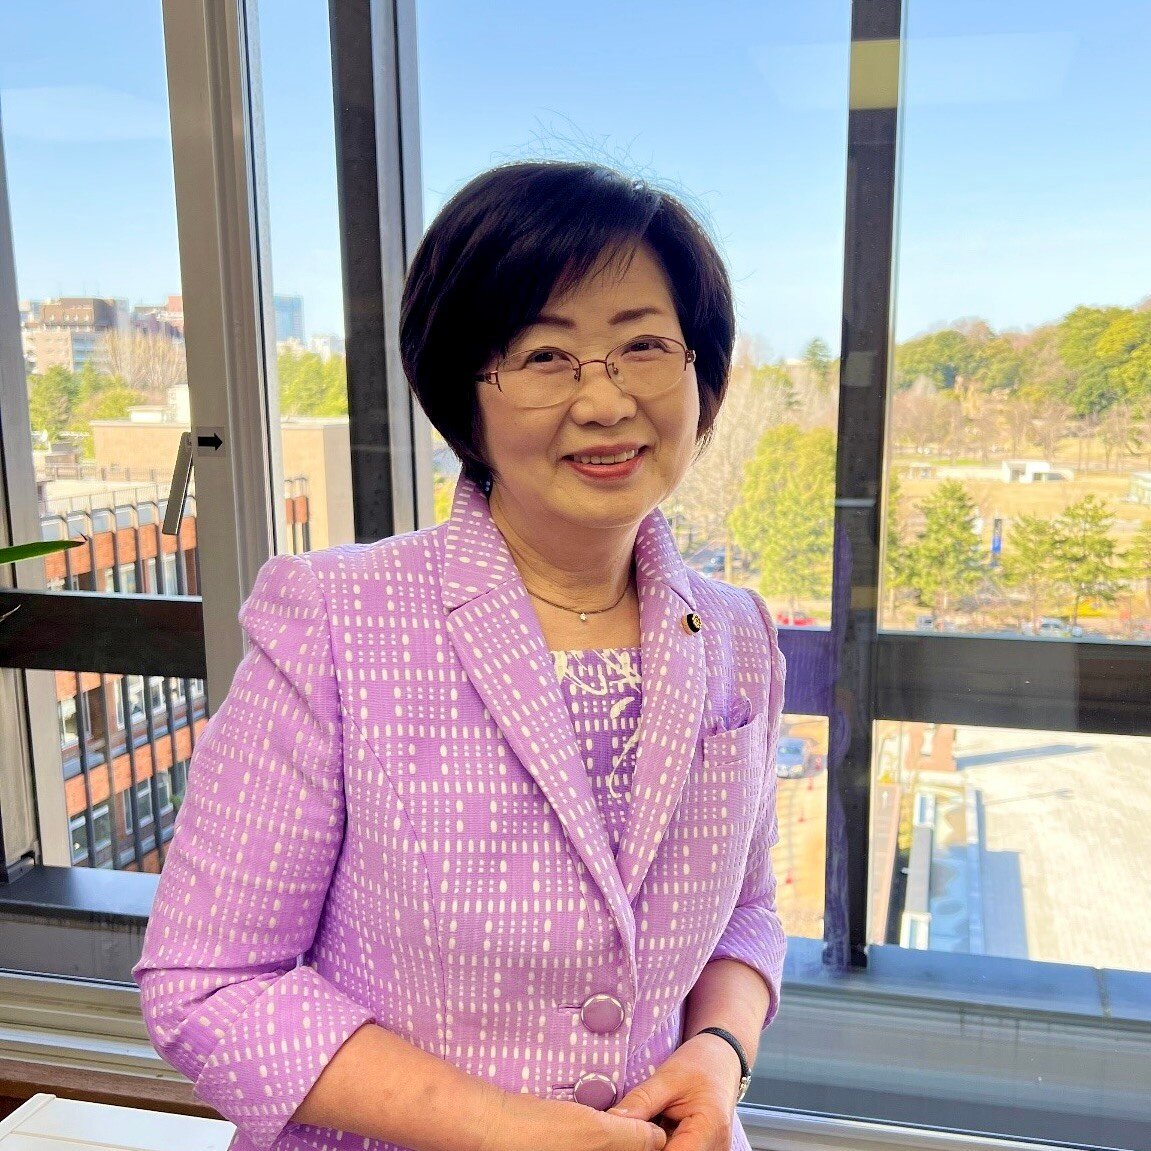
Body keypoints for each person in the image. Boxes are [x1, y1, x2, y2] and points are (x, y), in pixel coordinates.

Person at [133, 160, 787, 1151]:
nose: (605, 401)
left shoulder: (737, 632)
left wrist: (717, 1052)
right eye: (544, 356)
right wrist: (502, 1127)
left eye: (644, 346)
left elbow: (747, 912)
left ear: (701, 374)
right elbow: (208, 984)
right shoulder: (335, 620)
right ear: (460, 390)